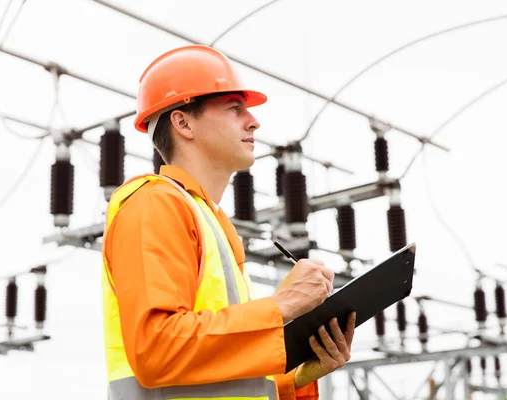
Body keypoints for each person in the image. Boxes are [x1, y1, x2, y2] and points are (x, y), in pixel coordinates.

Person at [101, 45, 357, 400]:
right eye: (234, 108)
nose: (253, 121)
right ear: (183, 122)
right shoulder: (153, 203)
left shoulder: (210, 220)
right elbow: (157, 350)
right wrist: (281, 306)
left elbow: (220, 375)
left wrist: (298, 375)